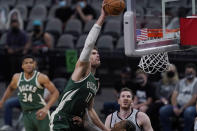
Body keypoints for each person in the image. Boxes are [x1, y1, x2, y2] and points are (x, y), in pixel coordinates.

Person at [50, 3, 110, 131]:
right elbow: (89, 44)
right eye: (93, 54)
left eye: (98, 53)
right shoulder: (82, 70)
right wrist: (102, 17)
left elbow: (90, 110)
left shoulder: (96, 83)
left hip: (75, 123)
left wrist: (106, 129)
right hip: (61, 119)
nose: (97, 55)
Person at [0, 55, 59, 131]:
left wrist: (46, 108)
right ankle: (7, 125)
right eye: (26, 63)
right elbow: (10, 88)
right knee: (8, 103)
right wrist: (2, 101)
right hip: (26, 112)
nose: (28, 65)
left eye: (31, 63)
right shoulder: (16, 77)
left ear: (35, 65)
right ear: (22, 66)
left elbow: (55, 92)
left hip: (39, 111)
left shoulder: (41, 77)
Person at [160, 63, 197, 131]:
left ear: (195, 72)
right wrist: (175, 107)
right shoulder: (180, 82)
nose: (189, 73)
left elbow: (194, 99)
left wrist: (182, 109)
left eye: (191, 72)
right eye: (187, 72)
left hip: (191, 107)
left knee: (188, 112)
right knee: (163, 110)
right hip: (178, 106)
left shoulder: (196, 82)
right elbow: (174, 96)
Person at [146, 64, 179, 131]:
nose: (170, 70)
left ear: (175, 71)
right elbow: (157, 93)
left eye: (172, 69)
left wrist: (166, 100)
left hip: (171, 103)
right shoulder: (161, 81)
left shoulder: (178, 83)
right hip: (161, 101)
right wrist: (161, 99)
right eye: (169, 69)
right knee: (152, 108)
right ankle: (153, 128)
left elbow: (175, 95)